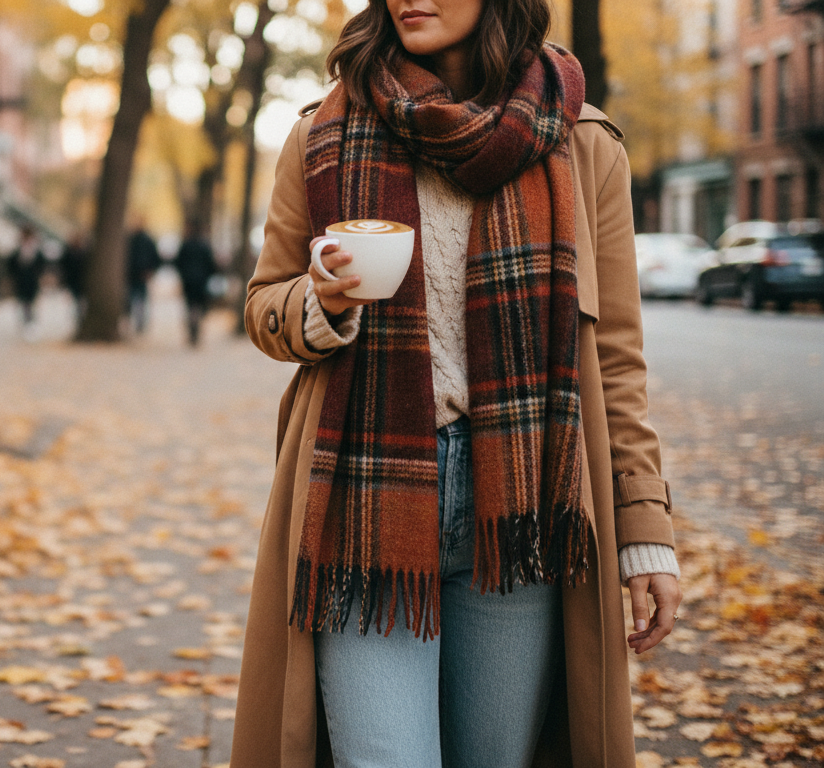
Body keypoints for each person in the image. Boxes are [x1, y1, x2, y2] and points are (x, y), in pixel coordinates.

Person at [230, 0, 683, 765]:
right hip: (369, 500)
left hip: (522, 503)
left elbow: (616, 363)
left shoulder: (583, 144)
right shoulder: (321, 136)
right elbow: (262, 306)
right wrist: (322, 302)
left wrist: (646, 534)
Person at [174, 223, 217, 346]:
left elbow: (178, 262)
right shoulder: (204, 246)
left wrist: (183, 275)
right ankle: (197, 329)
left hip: (188, 281)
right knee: (200, 305)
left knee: (189, 306)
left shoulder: (185, 245)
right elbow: (211, 264)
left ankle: (191, 330)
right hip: (201, 281)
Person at [6, 226, 45, 330]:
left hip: (32, 281)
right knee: (23, 302)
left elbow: (41, 265)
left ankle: (30, 321)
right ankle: (26, 321)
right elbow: (11, 265)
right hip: (21, 281)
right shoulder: (17, 251)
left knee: (31, 302)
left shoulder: (36, 251)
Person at [125, 223, 161, 334]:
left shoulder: (145, 240)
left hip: (140, 274)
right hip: (133, 274)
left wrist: (151, 270)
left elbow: (155, 257)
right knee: (133, 298)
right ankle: (135, 320)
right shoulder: (130, 239)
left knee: (139, 298)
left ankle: (139, 321)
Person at [59, 233, 88, 326]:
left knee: (80, 302)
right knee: (75, 302)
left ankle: (80, 319)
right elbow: (63, 268)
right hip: (72, 282)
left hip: (81, 282)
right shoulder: (68, 253)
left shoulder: (84, 253)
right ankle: (77, 320)